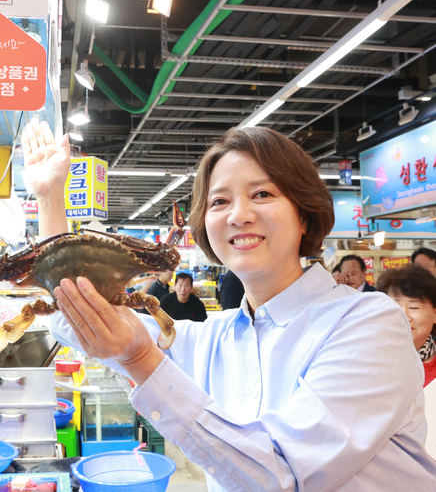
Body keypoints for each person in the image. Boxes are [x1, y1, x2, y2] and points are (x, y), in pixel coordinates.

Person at [22, 120, 436, 491]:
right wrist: (48, 199)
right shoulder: (209, 338)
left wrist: (142, 358)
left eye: (262, 193)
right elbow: (74, 312)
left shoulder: (369, 323)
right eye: (219, 202)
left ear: (304, 215)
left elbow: (282, 476)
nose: (239, 215)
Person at [377, 265, 436, 387]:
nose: (404, 316)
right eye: (394, 306)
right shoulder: (368, 360)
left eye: (414, 307)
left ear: (434, 314)